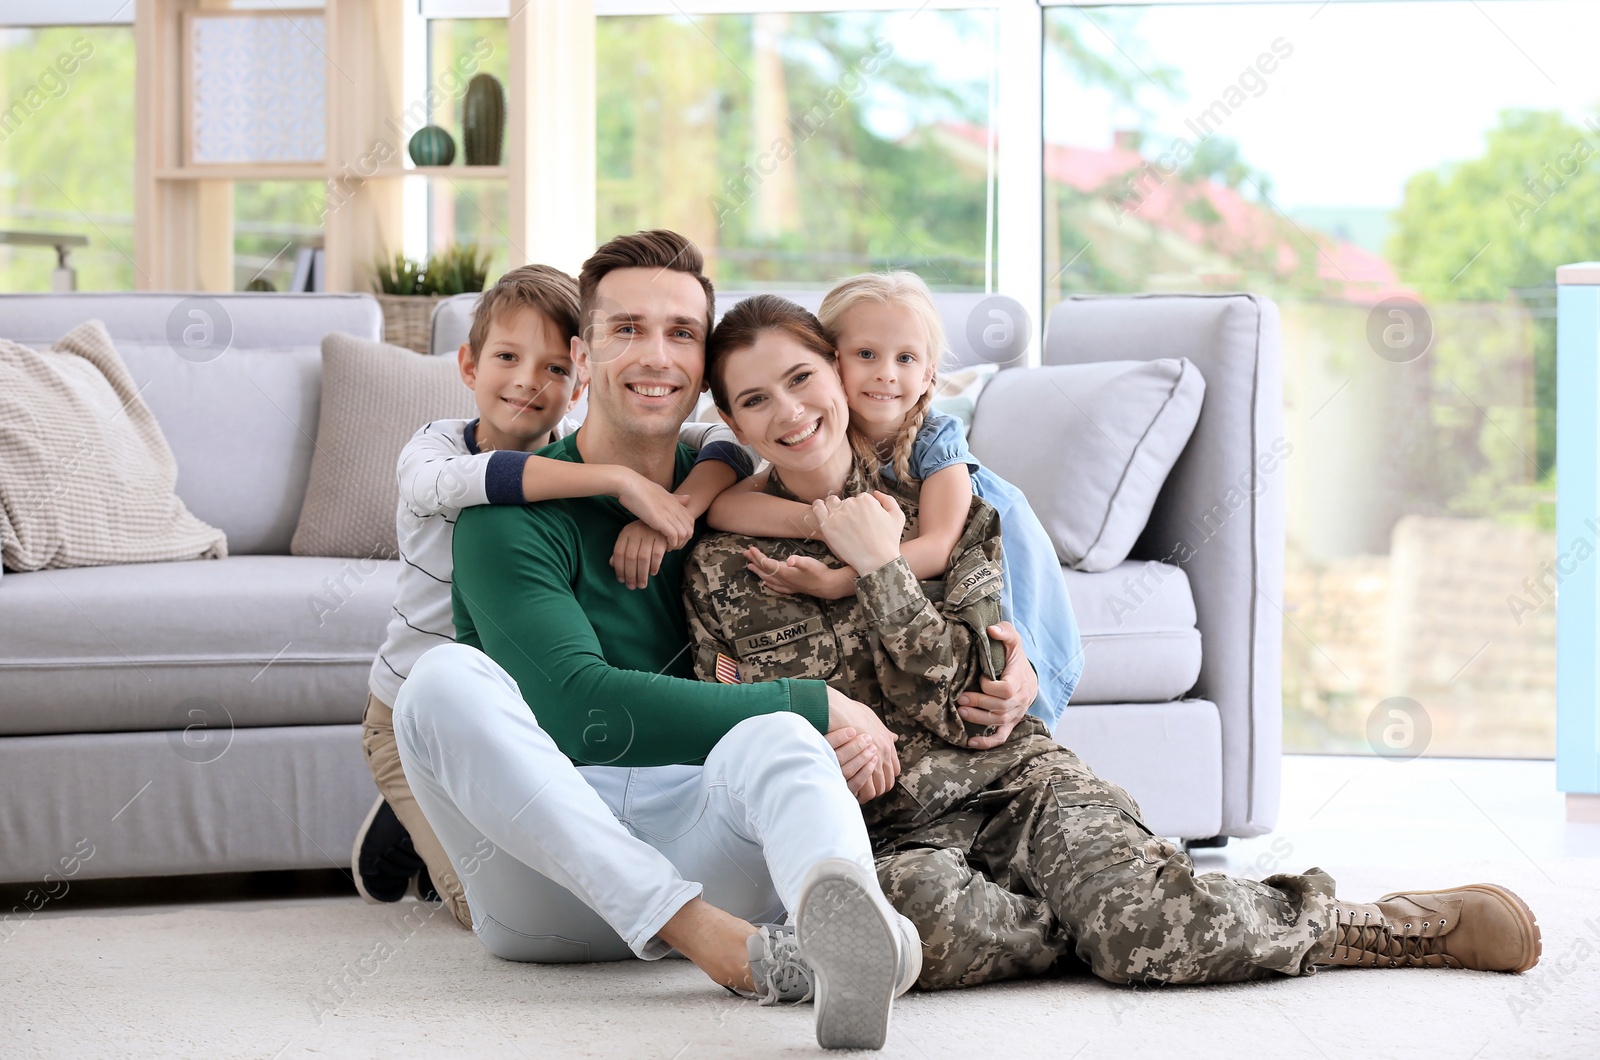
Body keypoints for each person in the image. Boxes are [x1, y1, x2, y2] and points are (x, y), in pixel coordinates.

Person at [683, 293, 1544, 991]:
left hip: (1014, 779)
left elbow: (966, 692)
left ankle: (1372, 923)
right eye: (756, 399)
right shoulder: (722, 563)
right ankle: (1108, 911)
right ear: (732, 420)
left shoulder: (948, 506)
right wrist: (822, 743)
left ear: (837, 372)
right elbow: (736, 719)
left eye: (802, 378)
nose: (789, 411)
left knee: (1150, 943)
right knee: (910, 941)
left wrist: (879, 570)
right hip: (897, 834)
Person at [388, 232, 1045, 1050]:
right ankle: (705, 938)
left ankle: (847, 938)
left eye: (680, 334)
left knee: (775, 735)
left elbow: (946, 580)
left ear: (705, 372)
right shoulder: (506, 520)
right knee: (441, 680)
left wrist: (1022, 675)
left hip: (704, 835)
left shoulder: (729, 497)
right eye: (626, 329)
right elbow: (576, 709)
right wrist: (818, 703)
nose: (654, 354)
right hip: (544, 886)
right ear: (582, 358)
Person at [353, 263, 756, 927]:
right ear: (467, 365)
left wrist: (677, 507)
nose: (527, 383)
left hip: (512, 715)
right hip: (410, 714)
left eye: (553, 370)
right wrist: (619, 483)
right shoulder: (434, 449)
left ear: (578, 378)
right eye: (507, 358)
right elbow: (460, 484)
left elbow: (724, 442)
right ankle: (413, 822)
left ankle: (450, 811)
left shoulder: (568, 450)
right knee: (479, 906)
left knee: (565, 862)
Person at [708, 271, 1082, 728]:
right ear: (833, 359)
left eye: (905, 358)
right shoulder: (812, 429)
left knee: (1012, 654)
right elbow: (726, 507)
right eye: (866, 354)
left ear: (928, 374)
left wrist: (839, 580)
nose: (886, 372)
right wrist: (829, 520)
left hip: (997, 535)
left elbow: (940, 545)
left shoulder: (935, 443)